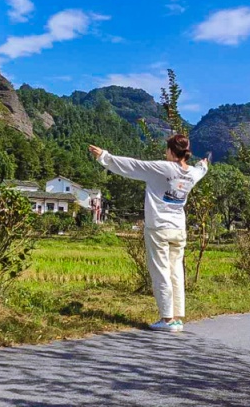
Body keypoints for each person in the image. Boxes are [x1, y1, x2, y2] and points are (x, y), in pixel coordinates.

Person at [89, 135, 208, 332]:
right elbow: (200, 170)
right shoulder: (192, 173)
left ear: (171, 151)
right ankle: (177, 318)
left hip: (159, 228)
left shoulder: (163, 168)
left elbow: (133, 166)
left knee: (161, 271)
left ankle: (166, 319)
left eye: (166, 149)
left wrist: (105, 156)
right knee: (176, 272)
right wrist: (203, 165)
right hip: (178, 229)